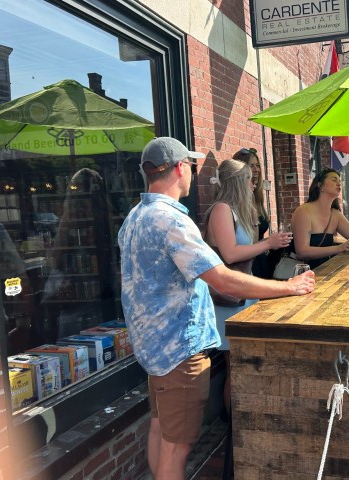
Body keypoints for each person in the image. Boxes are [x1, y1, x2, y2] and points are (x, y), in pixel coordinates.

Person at [118, 137, 314, 480]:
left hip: (154, 350)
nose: (193, 172)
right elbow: (223, 279)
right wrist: (289, 287)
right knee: (177, 448)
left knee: (162, 434)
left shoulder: (135, 216)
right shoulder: (171, 221)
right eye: (191, 165)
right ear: (180, 168)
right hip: (179, 350)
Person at [202, 159, 291, 414]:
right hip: (229, 300)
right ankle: (234, 428)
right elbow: (230, 254)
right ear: (238, 182)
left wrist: (268, 241)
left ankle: (244, 421)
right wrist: (268, 244)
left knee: (245, 365)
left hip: (243, 295)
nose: (254, 184)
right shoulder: (221, 209)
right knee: (236, 367)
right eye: (250, 179)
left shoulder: (239, 210)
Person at [291, 168, 349, 269]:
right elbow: (302, 252)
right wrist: (339, 248)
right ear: (320, 185)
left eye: (340, 181)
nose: (339, 183)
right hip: (303, 274)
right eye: (334, 180)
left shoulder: (335, 214)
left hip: (326, 271)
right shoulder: (303, 211)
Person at [232, 147, 277, 279]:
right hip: (246, 266)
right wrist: (269, 243)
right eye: (251, 166)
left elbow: (256, 241)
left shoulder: (256, 198)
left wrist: (274, 240)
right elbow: (249, 243)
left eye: (257, 165)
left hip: (260, 260)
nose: (256, 169)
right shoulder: (233, 204)